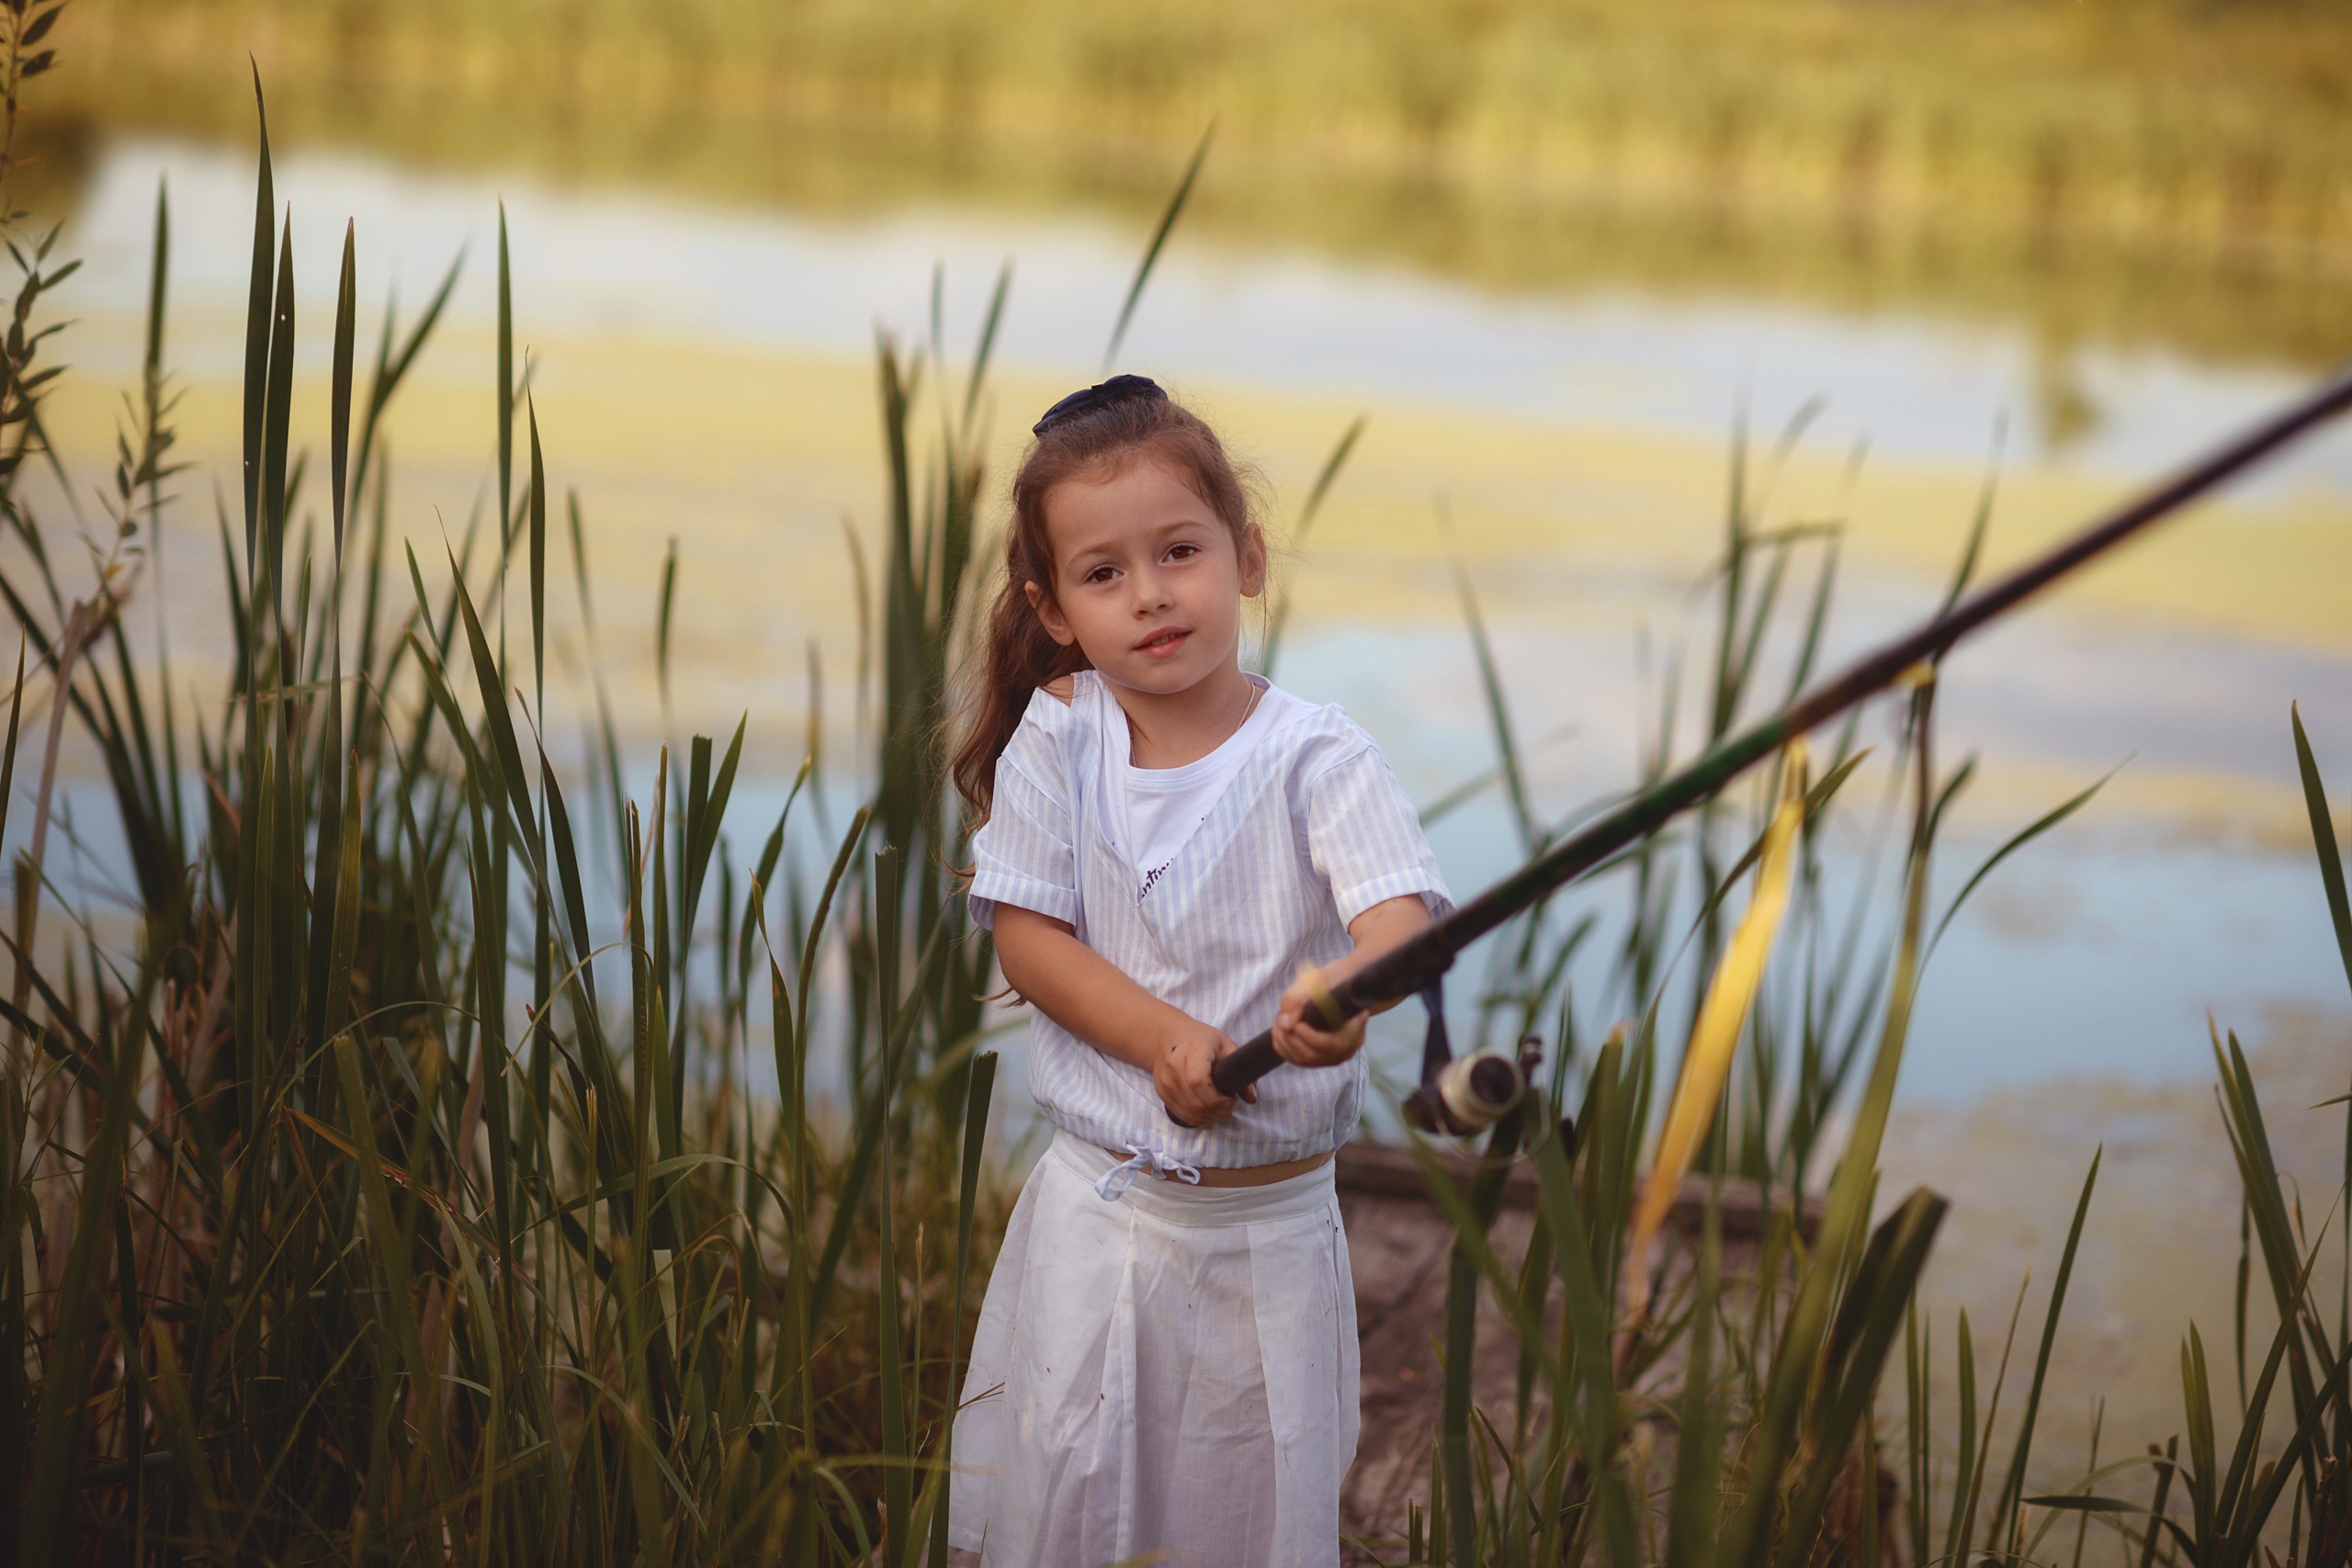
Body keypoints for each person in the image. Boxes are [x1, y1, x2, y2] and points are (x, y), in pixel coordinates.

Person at [944, 375, 1451, 1568]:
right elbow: (1029, 935)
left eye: (1179, 551)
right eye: (1105, 573)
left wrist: (1350, 994)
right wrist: (1167, 1041)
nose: (1152, 593)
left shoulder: (1318, 758)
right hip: (1093, 1227)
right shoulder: (1057, 738)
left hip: (1261, 1251)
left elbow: (1400, 920)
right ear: (1054, 607)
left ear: (1248, 557)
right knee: (1065, 1512)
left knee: (1236, 1529)